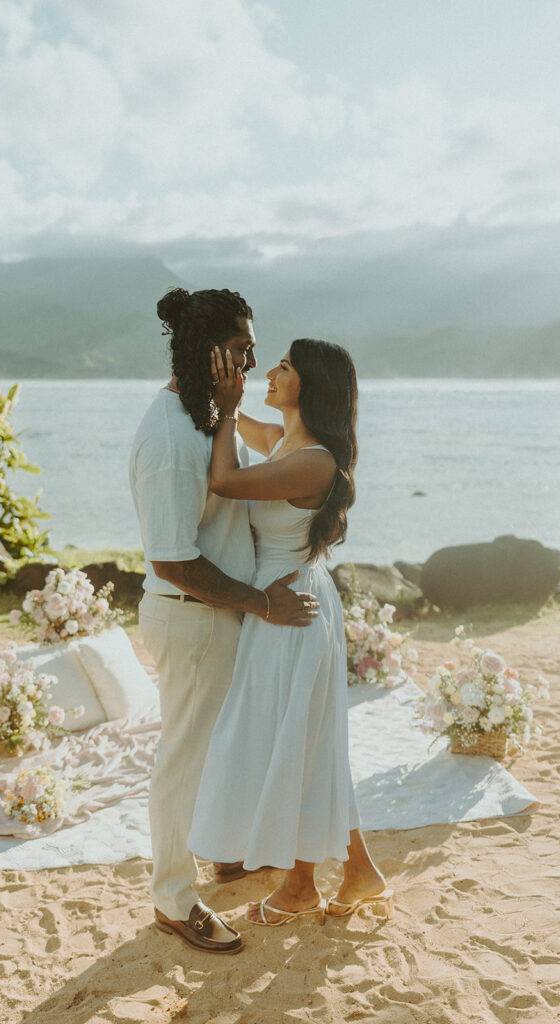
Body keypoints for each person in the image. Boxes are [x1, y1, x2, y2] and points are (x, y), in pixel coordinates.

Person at [129, 288, 320, 954]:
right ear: (206, 350)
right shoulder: (172, 436)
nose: (252, 358)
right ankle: (174, 900)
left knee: (220, 748)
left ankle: (224, 855)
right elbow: (174, 560)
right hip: (193, 616)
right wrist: (261, 601)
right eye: (241, 347)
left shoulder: (209, 417)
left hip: (218, 617)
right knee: (183, 761)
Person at [187, 338, 393, 926]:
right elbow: (234, 425)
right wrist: (210, 386)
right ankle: (355, 873)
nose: (270, 373)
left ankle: (307, 885)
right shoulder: (285, 442)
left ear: (311, 385)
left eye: (283, 367)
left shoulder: (315, 460)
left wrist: (227, 409)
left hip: (293, 608)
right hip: (283, 602)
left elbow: (225, 480)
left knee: (297, 739)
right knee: (304, 738)